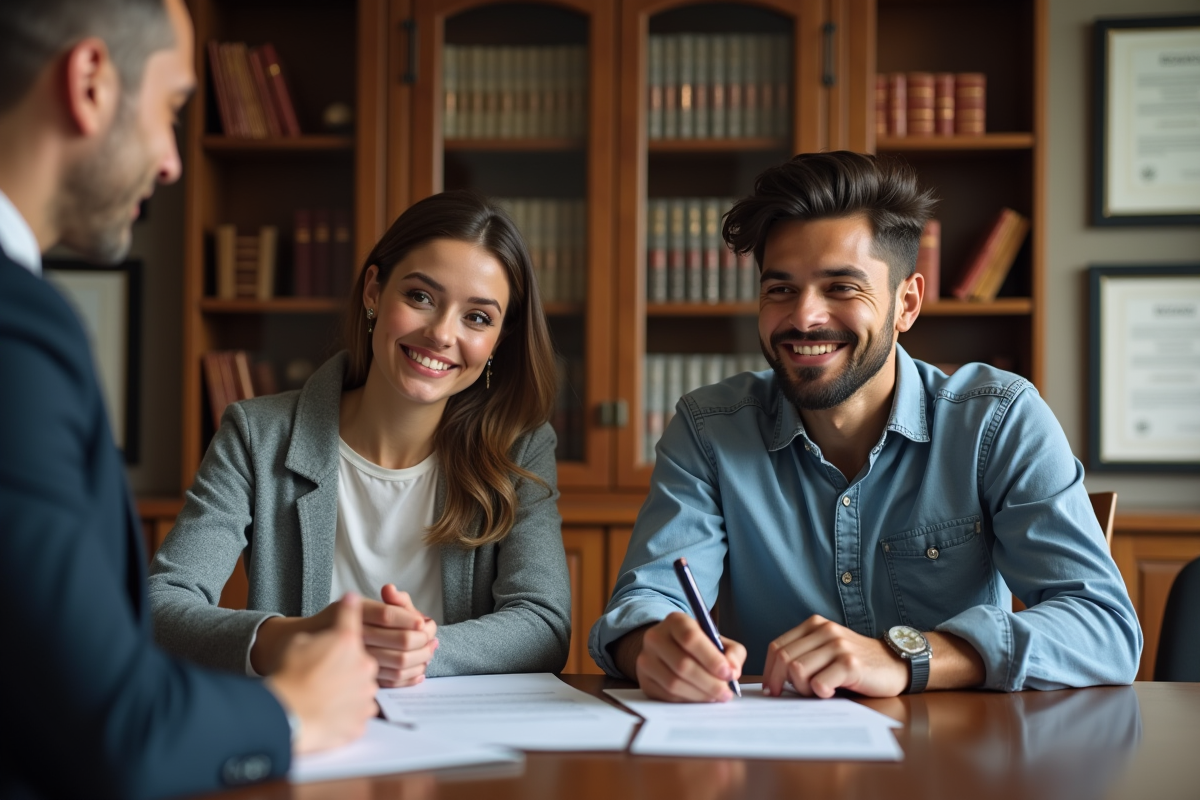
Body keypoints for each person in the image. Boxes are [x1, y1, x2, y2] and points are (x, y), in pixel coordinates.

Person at [589, 151, 1141, 701]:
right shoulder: (708, 430)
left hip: (954, 762)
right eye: (780, 289)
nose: (804, 317)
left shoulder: (997, 420)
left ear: (907, 303)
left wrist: (908, 656)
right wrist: (652, 645)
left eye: (841, 288)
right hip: (768, 765)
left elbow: (1105, 629)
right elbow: (644, 606)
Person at [0, 0, 378, 797]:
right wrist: (291, 711)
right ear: (91, 82)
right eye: (172, 107)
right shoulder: (16, 327)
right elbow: (113, 726)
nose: (172, 161)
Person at [148, 190, 571, 685]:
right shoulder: (257, 435)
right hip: (305, 729)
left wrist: (413, 652)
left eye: (477, 317)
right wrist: (291, 639)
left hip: (454, 740)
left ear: (499, 338)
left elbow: (543, 623)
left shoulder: (520, 449)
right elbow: (162, 604)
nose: (441, 333)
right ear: (374, 291)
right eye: (420, 297)